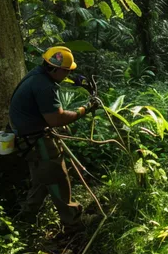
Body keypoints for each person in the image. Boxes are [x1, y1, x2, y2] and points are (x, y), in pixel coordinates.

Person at [9, 46, 101, 232]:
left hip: (26, 136)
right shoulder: (44, 86)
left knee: (41, 178)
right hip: (36, 140)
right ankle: (72, 221)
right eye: (66, 71)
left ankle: (25, 221)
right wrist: (85, 109)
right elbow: (56, 118)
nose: (67, 74)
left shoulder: (37, 74)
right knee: (57, 176)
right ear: (54, 69)